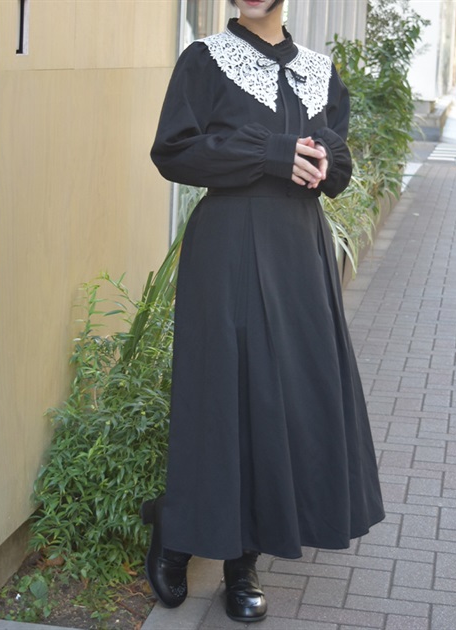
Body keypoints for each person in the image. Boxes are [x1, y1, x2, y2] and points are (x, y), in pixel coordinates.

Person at [141, 0, 385, 623]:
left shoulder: (319, 70)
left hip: (299, 251)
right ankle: (178, 529)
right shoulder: (205, 60)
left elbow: (339, 163)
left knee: (282, 398)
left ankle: (242, 560)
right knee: (220, 394)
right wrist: (271, 153)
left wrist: (326, 161)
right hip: (226, 249)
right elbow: (174, 152)